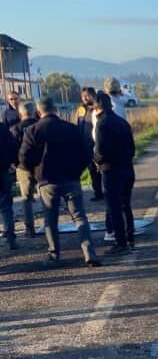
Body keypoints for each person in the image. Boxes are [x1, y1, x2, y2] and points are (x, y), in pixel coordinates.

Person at [19, 95, 100, 268]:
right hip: (71, 178)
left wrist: (35, 173)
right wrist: (78, 171)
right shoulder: (71, 129)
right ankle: (89, 253)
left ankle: (54, 254)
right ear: (55, 109)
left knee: (50, 219)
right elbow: (87, 153)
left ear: (38, 112)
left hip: (47, 181)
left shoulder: (33, 131)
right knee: (79, 217)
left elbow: (23, 158)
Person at [94, 91, 136, 256]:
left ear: (97, 108)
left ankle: (121, 242)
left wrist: (96, 160)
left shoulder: (102, 124)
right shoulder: (122, 122)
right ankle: (130, 237)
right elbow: (132, 148)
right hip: (127, 168)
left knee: (114, 207)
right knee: (126, 205)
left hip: (111, 170)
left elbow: (100, 151)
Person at [11, 101, 39, 237]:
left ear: (20, 113)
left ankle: (30, 228)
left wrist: (16, 164)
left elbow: (13, 149)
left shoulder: (15, 129)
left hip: (23, 168)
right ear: (34, 112)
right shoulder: (40, 126)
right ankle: (50, 224)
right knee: (47, 196)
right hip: (41, 166)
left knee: (26, 198)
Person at [75, 87, 105, 200]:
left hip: (97, 144)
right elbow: (77, 125)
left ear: (93, 95)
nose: (84, 98)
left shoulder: (97, 109)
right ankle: (98, 193)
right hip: (85, 145)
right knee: (92, 170)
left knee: (101, 169)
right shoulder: (81, 110)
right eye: (82, 96)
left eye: (87, 95)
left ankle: (106, 190)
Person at [0, 117, 17, 251]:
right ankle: (11, 237)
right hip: (3, 170)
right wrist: (12, 163)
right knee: (6, 205)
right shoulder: (3, 128)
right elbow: (12, 147)